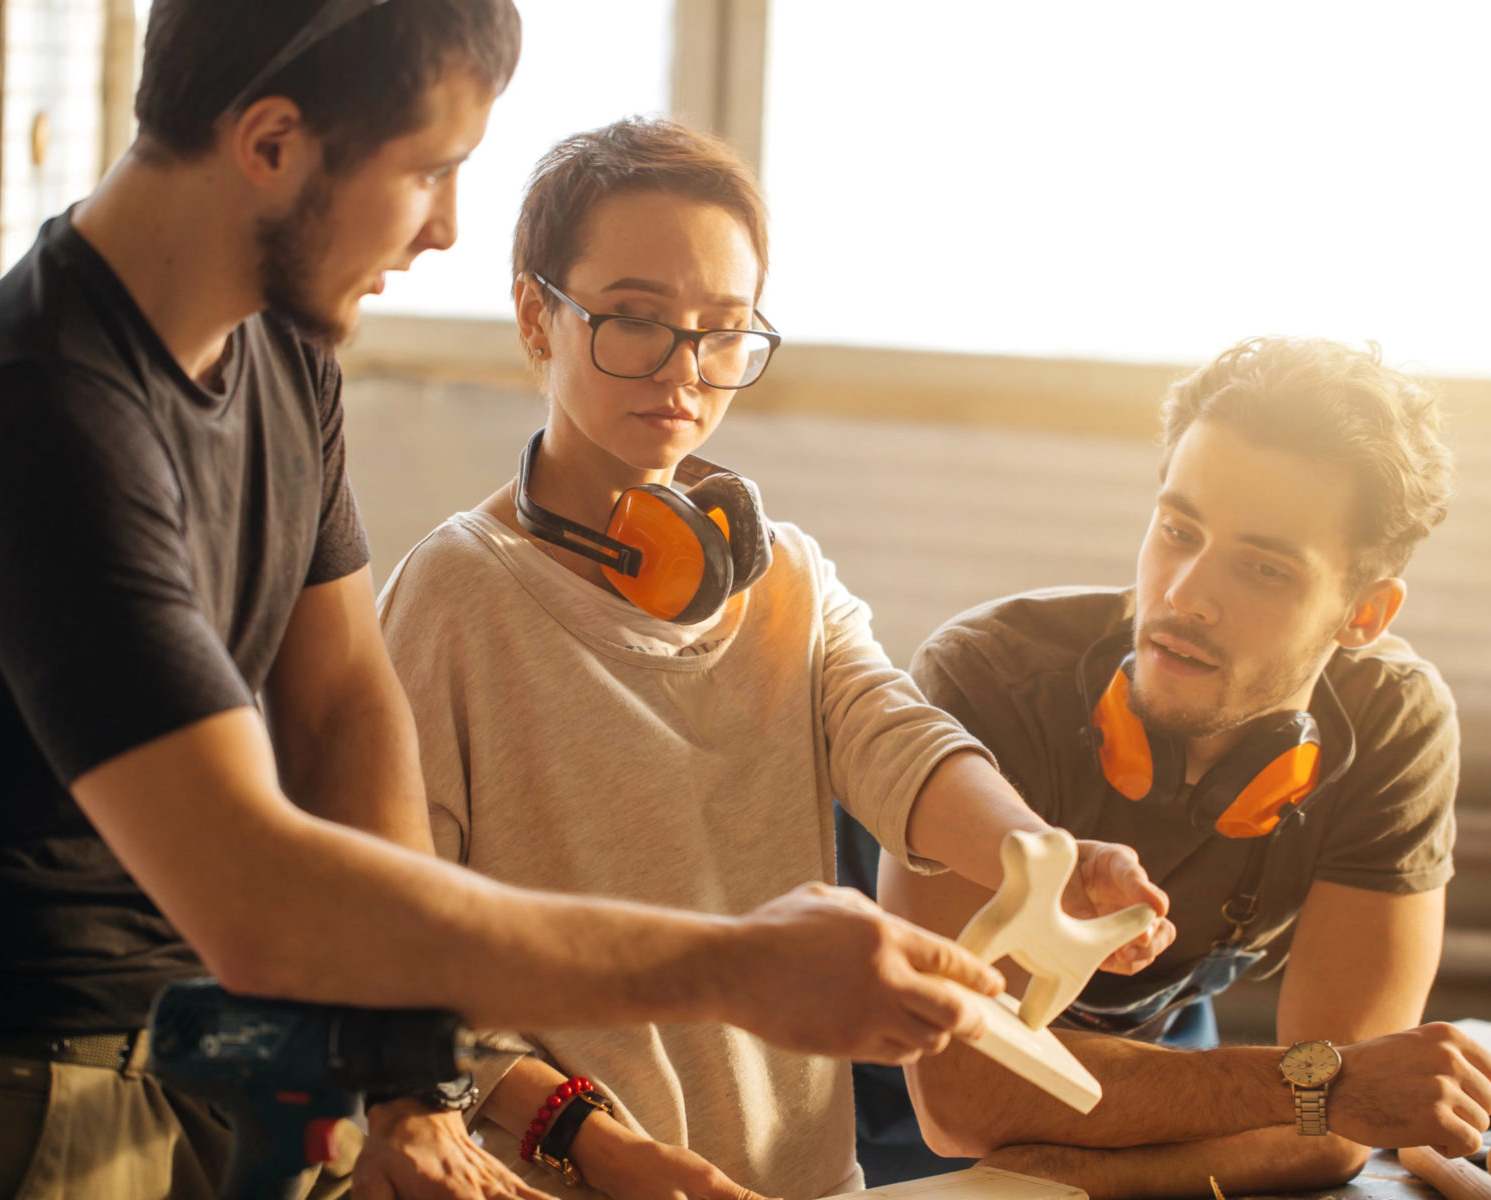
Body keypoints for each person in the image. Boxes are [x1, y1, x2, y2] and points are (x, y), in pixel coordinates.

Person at [0, 5, 1022, 1198]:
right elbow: (263, 899)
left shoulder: (282, 356)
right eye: (430, 171)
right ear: (272, 143)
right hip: (5, 1092)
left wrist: (405, 1080)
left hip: (203, 1058)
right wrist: (735, 966)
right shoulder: (40, 419)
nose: (448, 227)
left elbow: (346, 711)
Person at [377, 116, 1177, 1200]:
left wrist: (1044, 857)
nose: (684, 372)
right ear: (536, 316)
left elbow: (897, 737)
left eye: (722, 331)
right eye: (635, 322)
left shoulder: (785, 578)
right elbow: (396, 961)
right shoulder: (453, 595)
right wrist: (602, 1150)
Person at [883, 337, 1491, 1198]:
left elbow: (1342, 1132)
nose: (1183, 596)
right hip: (872, 1082)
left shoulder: (1393, 724)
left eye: (1262, 567)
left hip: (1158, 1063)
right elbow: (963, 1100)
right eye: (1178, 530)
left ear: (1364, 612)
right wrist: (1308, 1090)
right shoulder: (989, 674)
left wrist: (1075, 1173)